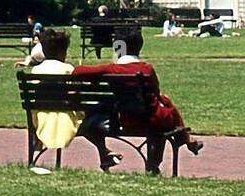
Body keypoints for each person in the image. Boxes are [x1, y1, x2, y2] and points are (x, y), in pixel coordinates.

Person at [73, 28, 200, 173]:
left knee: (161, 109)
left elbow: (78, 72)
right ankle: (156, 162)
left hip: (125, 120)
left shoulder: (112, 69)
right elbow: (156, 94)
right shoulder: (147, 69)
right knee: (163, 109)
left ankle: (184, 141)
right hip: (150, 120)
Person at [29, 29, 121, 171]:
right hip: (66, 121)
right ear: (62, 51)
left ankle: (105, 153)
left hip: (42, 119)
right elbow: (77, 98)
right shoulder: (67, 69)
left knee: (89, 119)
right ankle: (104, 155)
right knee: (93, 121)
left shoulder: (35, 71)